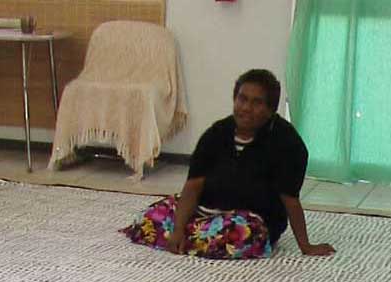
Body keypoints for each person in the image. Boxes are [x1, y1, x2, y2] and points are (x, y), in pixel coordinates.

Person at [121, 69, 335, 260]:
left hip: (250, 220)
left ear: (271, 110)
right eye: (242, 99)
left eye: (256, 102)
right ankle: (187, 236)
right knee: (149, 219)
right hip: (205, 211)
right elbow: (193, 185)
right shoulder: (217, 133)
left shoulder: (288, 143)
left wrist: (305, 245)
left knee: (241, 237)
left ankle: (188, 238)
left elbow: (290, 199)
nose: (246, 108)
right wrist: (177, 229)